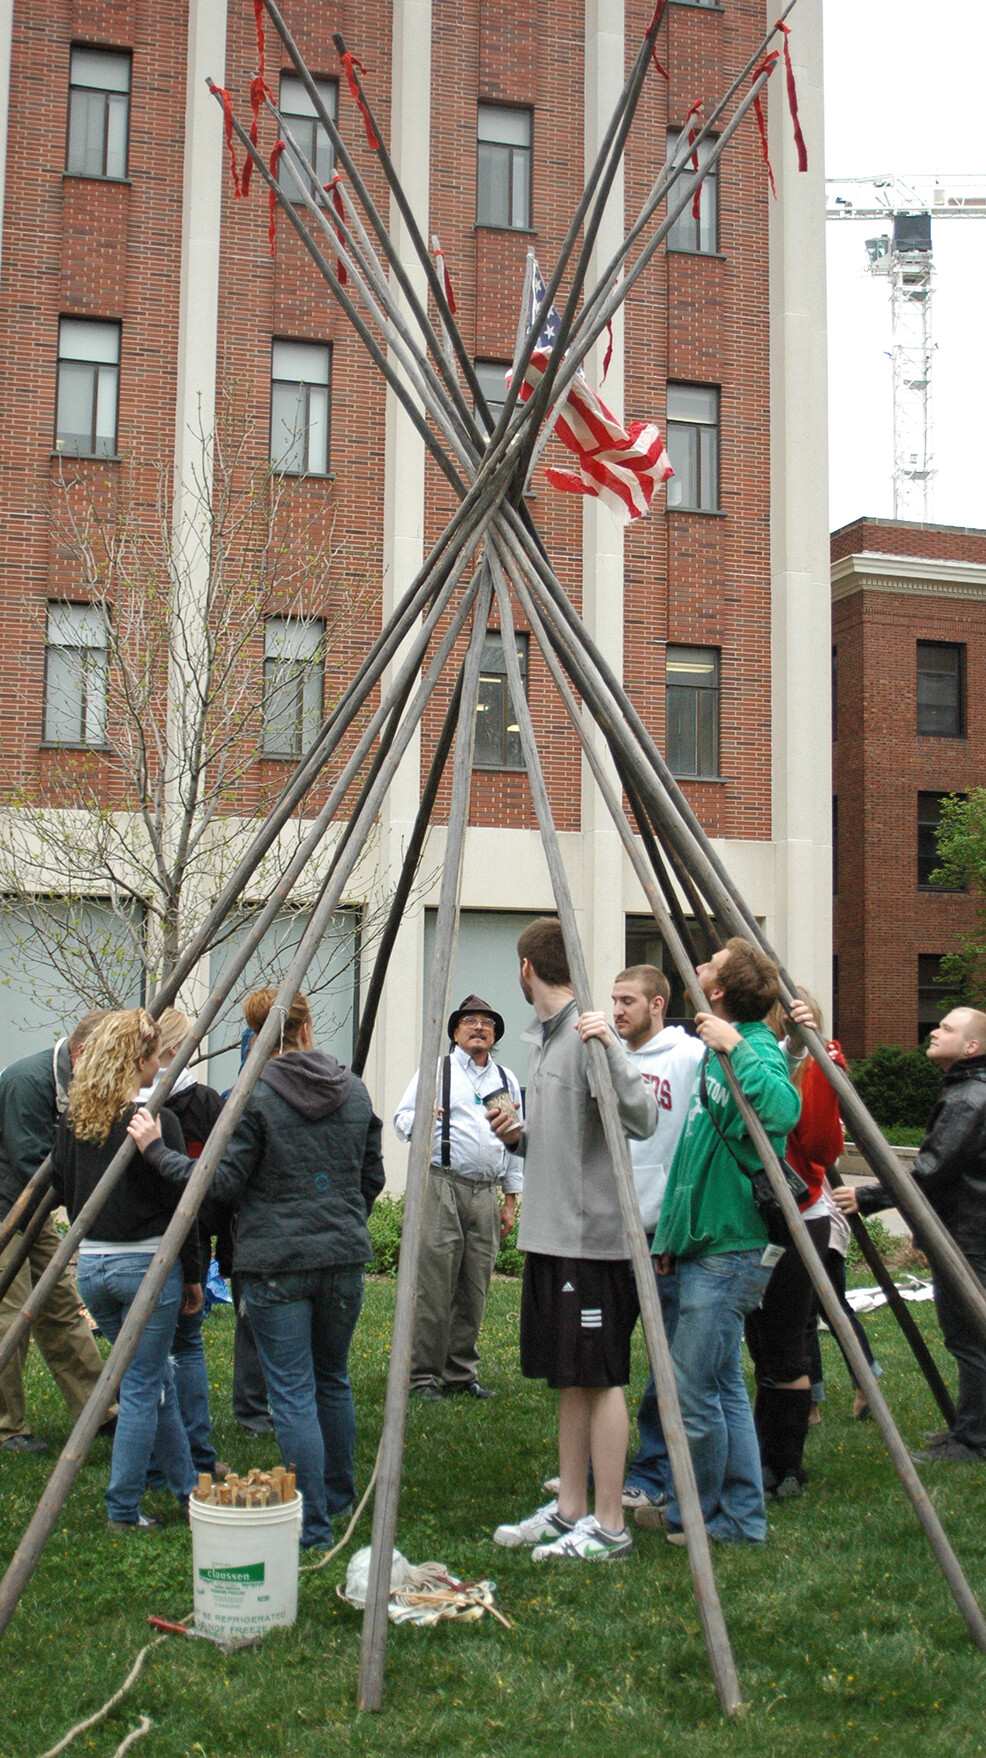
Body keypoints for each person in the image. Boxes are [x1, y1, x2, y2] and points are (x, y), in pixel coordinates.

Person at [130, 987, 385, 1549]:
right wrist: (341, 1221)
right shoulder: (355, 1090)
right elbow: (372, 1179)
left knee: (292, 1392)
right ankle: (338, 1501)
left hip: (274, 1263)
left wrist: (157, 1151)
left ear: (254, 1033)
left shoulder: (253, 1097)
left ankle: (314, 1524)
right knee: (331, 1380)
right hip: (342, 1259)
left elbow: (219, 1183)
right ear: (307, 1026)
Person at [489, 918, 658, 1561]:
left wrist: (613, 1047)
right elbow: (570, 1138)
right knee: (570, 1377)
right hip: (552, 1236)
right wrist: (521, 1136)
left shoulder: (589, 1035)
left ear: (527, 970)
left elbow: (638, 1117)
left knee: (603, 1373)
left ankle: (610, 1525)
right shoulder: (543, 1040)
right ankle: (571, 1509)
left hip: (594, 1240)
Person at [649, 938, 800, 1545]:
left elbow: (782, 1109)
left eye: (708, 963)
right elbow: (694, 1153)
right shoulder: (718, 1051)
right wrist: (672, 1235)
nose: (699, 963)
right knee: (722, 1385)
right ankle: (740, 1517)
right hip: (703, 1241)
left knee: (691, 1394)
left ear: (716, 991)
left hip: (730, 1247)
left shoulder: (749, 1046)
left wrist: (738, 1044)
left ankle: (702, 1513)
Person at [50, 1009, 199, 1531]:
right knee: (141, 1384)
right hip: (147, 1265)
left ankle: (188, 1491)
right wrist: (196, 1273)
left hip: (93, 1265)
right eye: (156, 1056)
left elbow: (68, 1193)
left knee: (151, 1376)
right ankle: (123, 1509)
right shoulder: (157, 1121)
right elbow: (184, 1203)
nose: (161, 1066)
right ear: (137, 1060)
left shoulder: (76, 1119)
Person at [834, 1005, 986, 1464]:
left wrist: (869, 1197)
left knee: (969, 1336)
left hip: (970, 1235)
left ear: (972, 1047)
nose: (933, 1030)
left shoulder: (968, 1099)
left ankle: (974, 1442)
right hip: (966, 1230)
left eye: (946, 1028)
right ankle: (968, 1429)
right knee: (967, 1335)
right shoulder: (965, 1090)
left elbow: (931, 1171)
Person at [394, 994, 523, 1401]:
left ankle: (461, 1373)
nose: (479, 1028)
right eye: (470, 1021)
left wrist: (510, 1198)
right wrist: (423, 1118)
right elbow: (401, 1119)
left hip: (486, 1191)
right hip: (442, 1184)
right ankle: (422, 1376)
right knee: (434, 1282)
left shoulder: (507, 1078)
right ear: (455, 1032)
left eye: (487, 1022)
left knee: (475, 1285)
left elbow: (516, 1141)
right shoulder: (438, 1070)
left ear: (495, 1034)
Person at [743, 990, 845, 1500]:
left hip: (799, 1217)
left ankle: (785, 1466)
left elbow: (823, 1148)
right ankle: (767, 1458)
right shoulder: (748, 1059)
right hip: (755, 1219)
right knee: (763, 1346)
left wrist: (814, 1062)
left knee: (785, 1347)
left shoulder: (815, 1067)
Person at [611, 964, 704, 1514]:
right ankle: (600, 1465)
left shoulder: (687, 1058)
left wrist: (674, 1226)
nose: (619, 1009)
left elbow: (694, 1142)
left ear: (658, 1006)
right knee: (604, 1355)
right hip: (614, 1229)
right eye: (615, 1000)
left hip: (661, 1234)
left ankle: (653, 1471)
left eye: (629, 1001)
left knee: (665, 1361)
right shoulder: (613, 1056)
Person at [0, 1011, 115, 1455]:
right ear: (83, 1052)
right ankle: (8, 1428)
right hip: (7, 1208)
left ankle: (100, 1411)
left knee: (62, 1306)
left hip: (32, 1209)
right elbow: (32, 1164)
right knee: (10, 1316)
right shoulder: (25, 1084)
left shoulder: (78, 1084)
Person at [138, 1008, 230, 1481]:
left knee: (149, 1357)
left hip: (144, 1242)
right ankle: (189, 1454)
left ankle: (163, 1456)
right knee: (183, 1348)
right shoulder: (199, 1104)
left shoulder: (132, 1106)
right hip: (179, 1239)